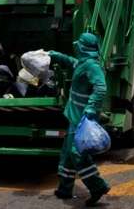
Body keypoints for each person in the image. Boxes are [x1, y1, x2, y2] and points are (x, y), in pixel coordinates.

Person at [49, 32, 110, 206]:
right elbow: (72, 62)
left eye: (78, 45)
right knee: (67, 154)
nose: (76, 47)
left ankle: (97, 186)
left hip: (83, 119)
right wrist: (57, 56)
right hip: (75, 116)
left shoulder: (92, 66)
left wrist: (91, 108)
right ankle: (65, 188)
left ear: (83, 47)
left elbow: (100, 88)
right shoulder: (83, 62)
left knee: (78, 154)